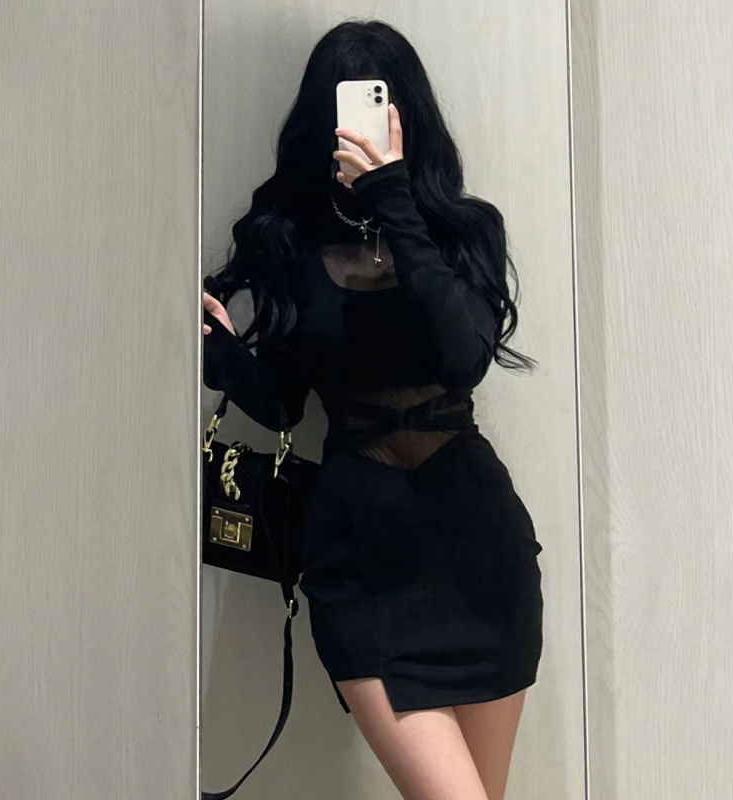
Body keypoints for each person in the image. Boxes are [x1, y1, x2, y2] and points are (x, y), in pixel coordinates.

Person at [202, 19, 543, 800]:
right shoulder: (290, 245)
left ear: (405, 117)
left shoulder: (464, 232)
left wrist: (394, 199)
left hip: (480, 561)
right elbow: (284, 407)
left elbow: (463, 355)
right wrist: (220, 354)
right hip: (361, 568)